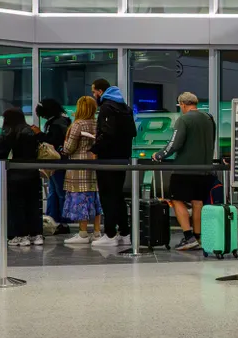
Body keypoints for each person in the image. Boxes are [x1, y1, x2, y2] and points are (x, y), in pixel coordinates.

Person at [152, 92, 216, 252]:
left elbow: (175, 143)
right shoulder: (209, 119)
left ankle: (188, 237)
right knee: (197, 202)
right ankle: (198, 237)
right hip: (204, 169)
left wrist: (159, 154)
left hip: (184, 169)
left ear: (182, 104)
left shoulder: (184, 119)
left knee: (177, 200)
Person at [90, 79, 137, 245]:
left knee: (107, 196)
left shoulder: (106, 108)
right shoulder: (126, 109)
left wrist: (95, 148)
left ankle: (109, 234)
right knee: (118, 195)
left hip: (107, 158)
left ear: (100, 91)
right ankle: (124, 232)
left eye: (94, 91)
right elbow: (132, 132)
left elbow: (107, 134)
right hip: (122, 158)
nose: (93, 95)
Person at [0, 108, 43, 246]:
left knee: (17, 206)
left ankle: (21, 235)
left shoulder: (9, 132)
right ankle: (36, 235)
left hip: (15, 174)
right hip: (32, 172)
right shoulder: (30, 130)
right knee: (33, 205)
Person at [62, 96, 103, 245]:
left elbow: (69, 148)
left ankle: (83, 233)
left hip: (79, 167)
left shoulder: (77, 125)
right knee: (95, 197)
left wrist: (63, 147)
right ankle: (97, 232)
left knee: (80, 199)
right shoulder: (98, 123)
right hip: (95, 164)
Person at [35, 98, 72, 235]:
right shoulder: (62, 120)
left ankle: (59, 220)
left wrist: (39, 135)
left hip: (56, 161)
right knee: (55, 191)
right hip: (59, 161)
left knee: (57, 192)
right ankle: (56, 220)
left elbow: (54, 140)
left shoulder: (56, 123)